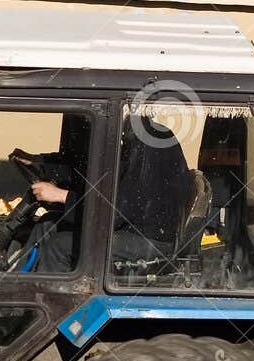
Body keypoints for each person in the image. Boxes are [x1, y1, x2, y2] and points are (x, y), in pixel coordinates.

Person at [28, 115, 191, 270]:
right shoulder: (137, 138)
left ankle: (50, 296)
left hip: (149, 239)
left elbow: (117, 211)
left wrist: (61, 196)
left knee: (59, 245)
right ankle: (18, 279)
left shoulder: (148, 147)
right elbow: (94, 176)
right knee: (48, 224)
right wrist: (42, 165)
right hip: (133, 226)